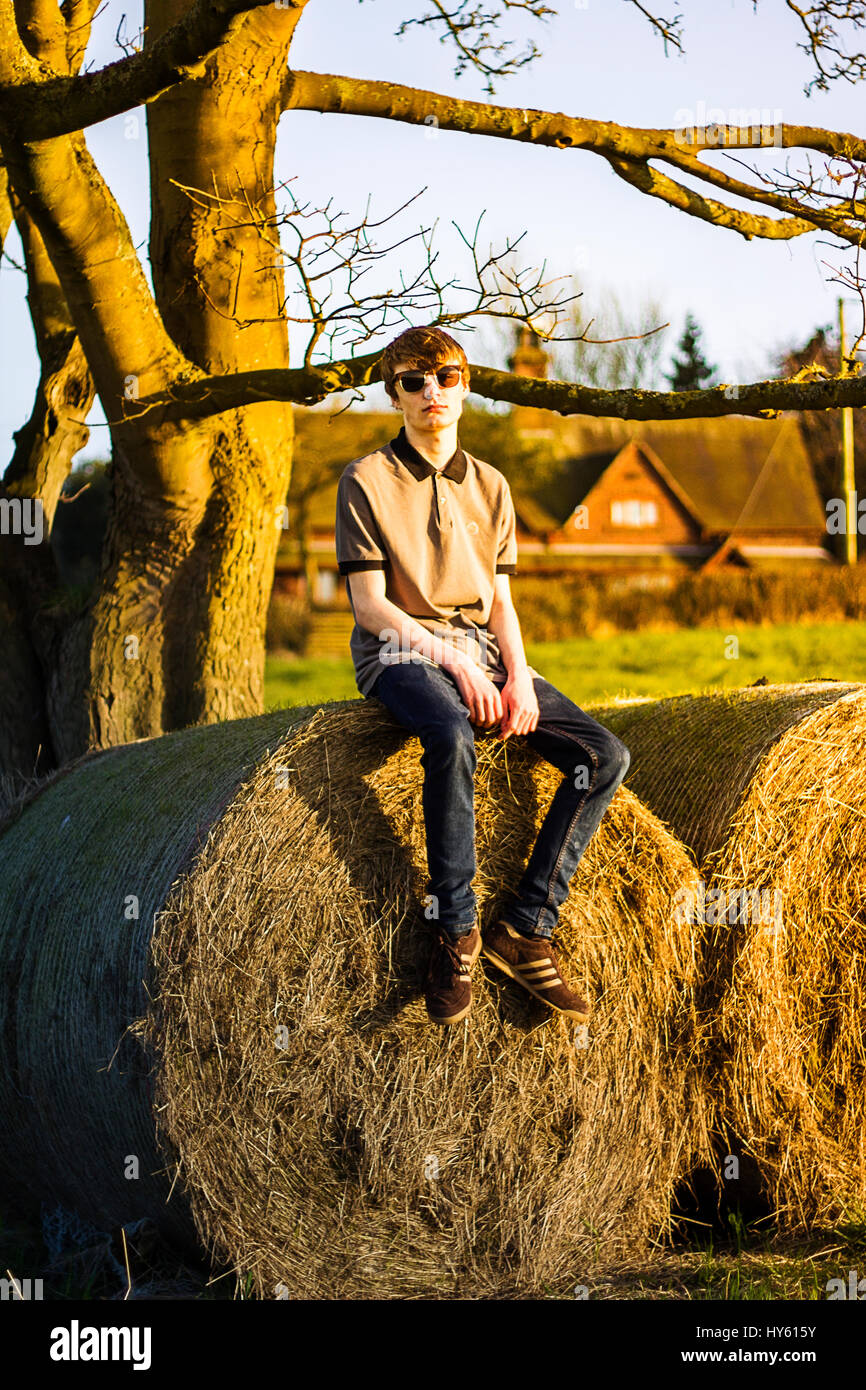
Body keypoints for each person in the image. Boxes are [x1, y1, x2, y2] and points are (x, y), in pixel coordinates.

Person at [335, 325, 630, 1026]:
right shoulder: (367, 480)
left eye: (445, 376)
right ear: (395, 395)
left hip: (485, 648)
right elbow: (371, 606)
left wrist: (519, 677)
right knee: (451, 730)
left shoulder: (492, 485)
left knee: (605, 757)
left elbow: (501, 602)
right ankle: (457, 929)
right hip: (402, 649)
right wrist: (454, 663)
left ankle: (526, 926)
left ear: (465, 384)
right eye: (413, 380)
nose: (431, 391)